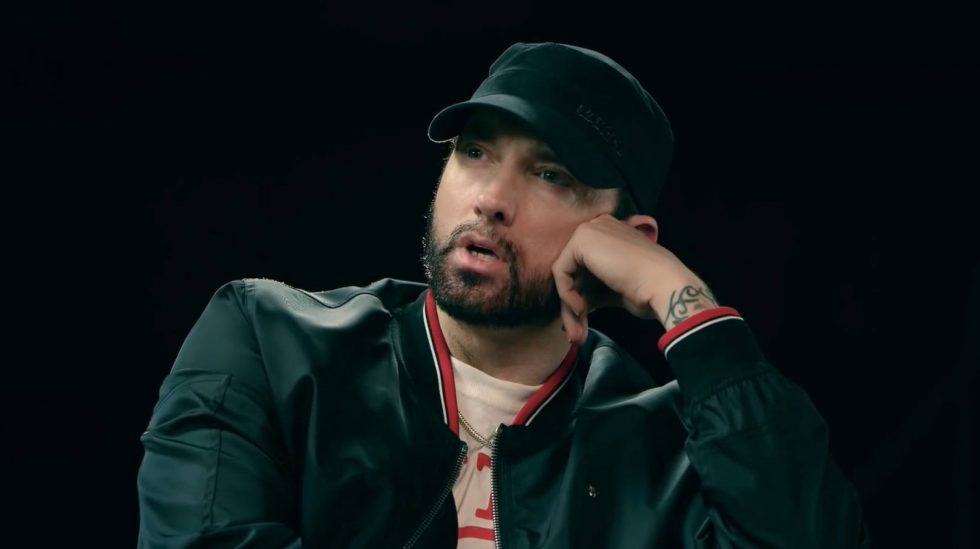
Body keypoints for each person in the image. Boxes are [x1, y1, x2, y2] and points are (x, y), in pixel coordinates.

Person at [136, 42, 870, 548]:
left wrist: (681, 295)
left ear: (629, 238)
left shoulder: (669, 451)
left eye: (550, 174)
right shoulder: (268, 339)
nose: (489, 197)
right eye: (475, 150)